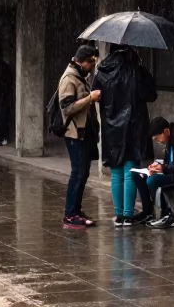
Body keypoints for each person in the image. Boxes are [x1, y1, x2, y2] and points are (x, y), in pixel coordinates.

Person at [92, 45, 158, 228]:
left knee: (116, 174)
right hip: (133, 127)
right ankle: (129, 216)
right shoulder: (136, 70)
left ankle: (119, 215)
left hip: (111, 129)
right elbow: (151, 95)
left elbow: (96, 95)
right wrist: (143, 69)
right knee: (130, 172)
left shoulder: (102, 71)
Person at [58, 44, 100, 228]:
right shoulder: (69, 79)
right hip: (74, 134)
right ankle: (69, 214)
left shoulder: (82, 77)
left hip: (85, 133)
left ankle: (76, 210)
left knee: (83, 173)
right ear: (82, 61)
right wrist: (90, 98)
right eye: (91, 62)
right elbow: (67, 108)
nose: (93, 66)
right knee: (77, 173)